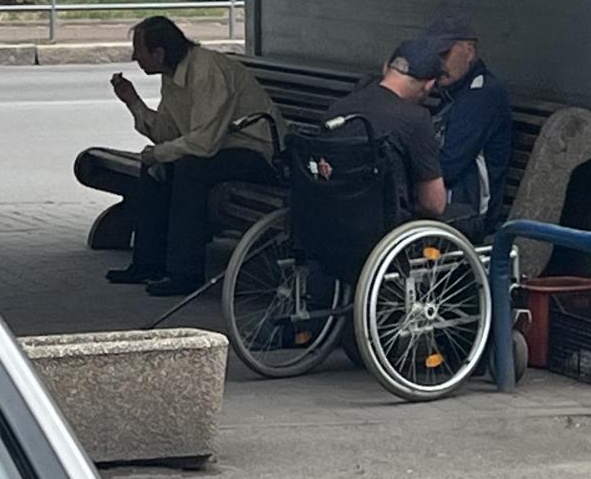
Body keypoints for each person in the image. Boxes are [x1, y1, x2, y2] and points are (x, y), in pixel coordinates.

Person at [105, 15, 285, 296]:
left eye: (139, 51)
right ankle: (148, 263)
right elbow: (167, 133)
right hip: (220, 148)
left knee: (189, 170)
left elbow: (204, 143)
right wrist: (133, 103)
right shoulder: (172, 76)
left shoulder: (206, 72)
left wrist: (161, 153)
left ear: (159, 53)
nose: (135, 58)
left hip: (256, 152)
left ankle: (185, 273)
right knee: (155, 167)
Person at [321, 39, 450, 221]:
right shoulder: (416, 119)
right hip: (382, 228)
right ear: (428, 84)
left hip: (329, 219)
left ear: (386, 67)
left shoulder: (338, 109)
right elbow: (434, 204)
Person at [424, 10, 514, 225]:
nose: (438, 64)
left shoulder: (481, 96)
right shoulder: (455, 92)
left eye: (444, 54)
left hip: (469, 214)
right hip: (450, 207)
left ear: (470, 50)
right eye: (433, 56)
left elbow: (448, 165)